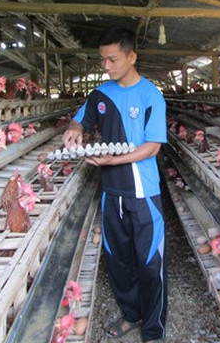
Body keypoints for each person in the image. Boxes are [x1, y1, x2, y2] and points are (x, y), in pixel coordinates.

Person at [62, 26, 167, 343]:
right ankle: (130, 314)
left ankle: (153, 330)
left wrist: (112, 161)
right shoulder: (100, 95)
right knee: (118, 262)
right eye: (102, 60)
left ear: (131, 56)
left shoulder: (151, 95)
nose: (105, 66)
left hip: (143, 195)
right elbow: (80, 119)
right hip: (111, 195)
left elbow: (153, 146)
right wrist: (74, 129)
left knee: (150, 264)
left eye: (111, 59)